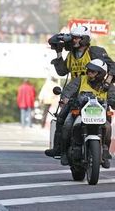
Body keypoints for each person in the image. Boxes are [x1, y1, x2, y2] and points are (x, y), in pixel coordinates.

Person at [45, 25, 115, 157]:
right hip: (75, 95)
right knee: (62, 119)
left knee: (107, 120)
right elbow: (62, 71)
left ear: (85, 39)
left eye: (77, 38)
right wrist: (59, 52)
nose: (74, 40)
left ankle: (104, 149)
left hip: (97, 94)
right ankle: (60, 149)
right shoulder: (71, 55)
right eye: (73, 38)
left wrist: (107, 82)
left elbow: (113, 66)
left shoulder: (95, 51)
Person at [59, 59, 114, 167]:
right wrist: (66, 98)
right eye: (88, 70)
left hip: (100, 115)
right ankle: (64, 152)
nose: (89, 73)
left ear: (100, 73)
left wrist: (113, 101)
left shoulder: (108, 86)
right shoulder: (80, 80)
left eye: (93, 71)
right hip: (79, 112)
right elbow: (68, 91)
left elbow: (113, 95)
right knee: (67, 126)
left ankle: (105, 151)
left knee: (107, 128)